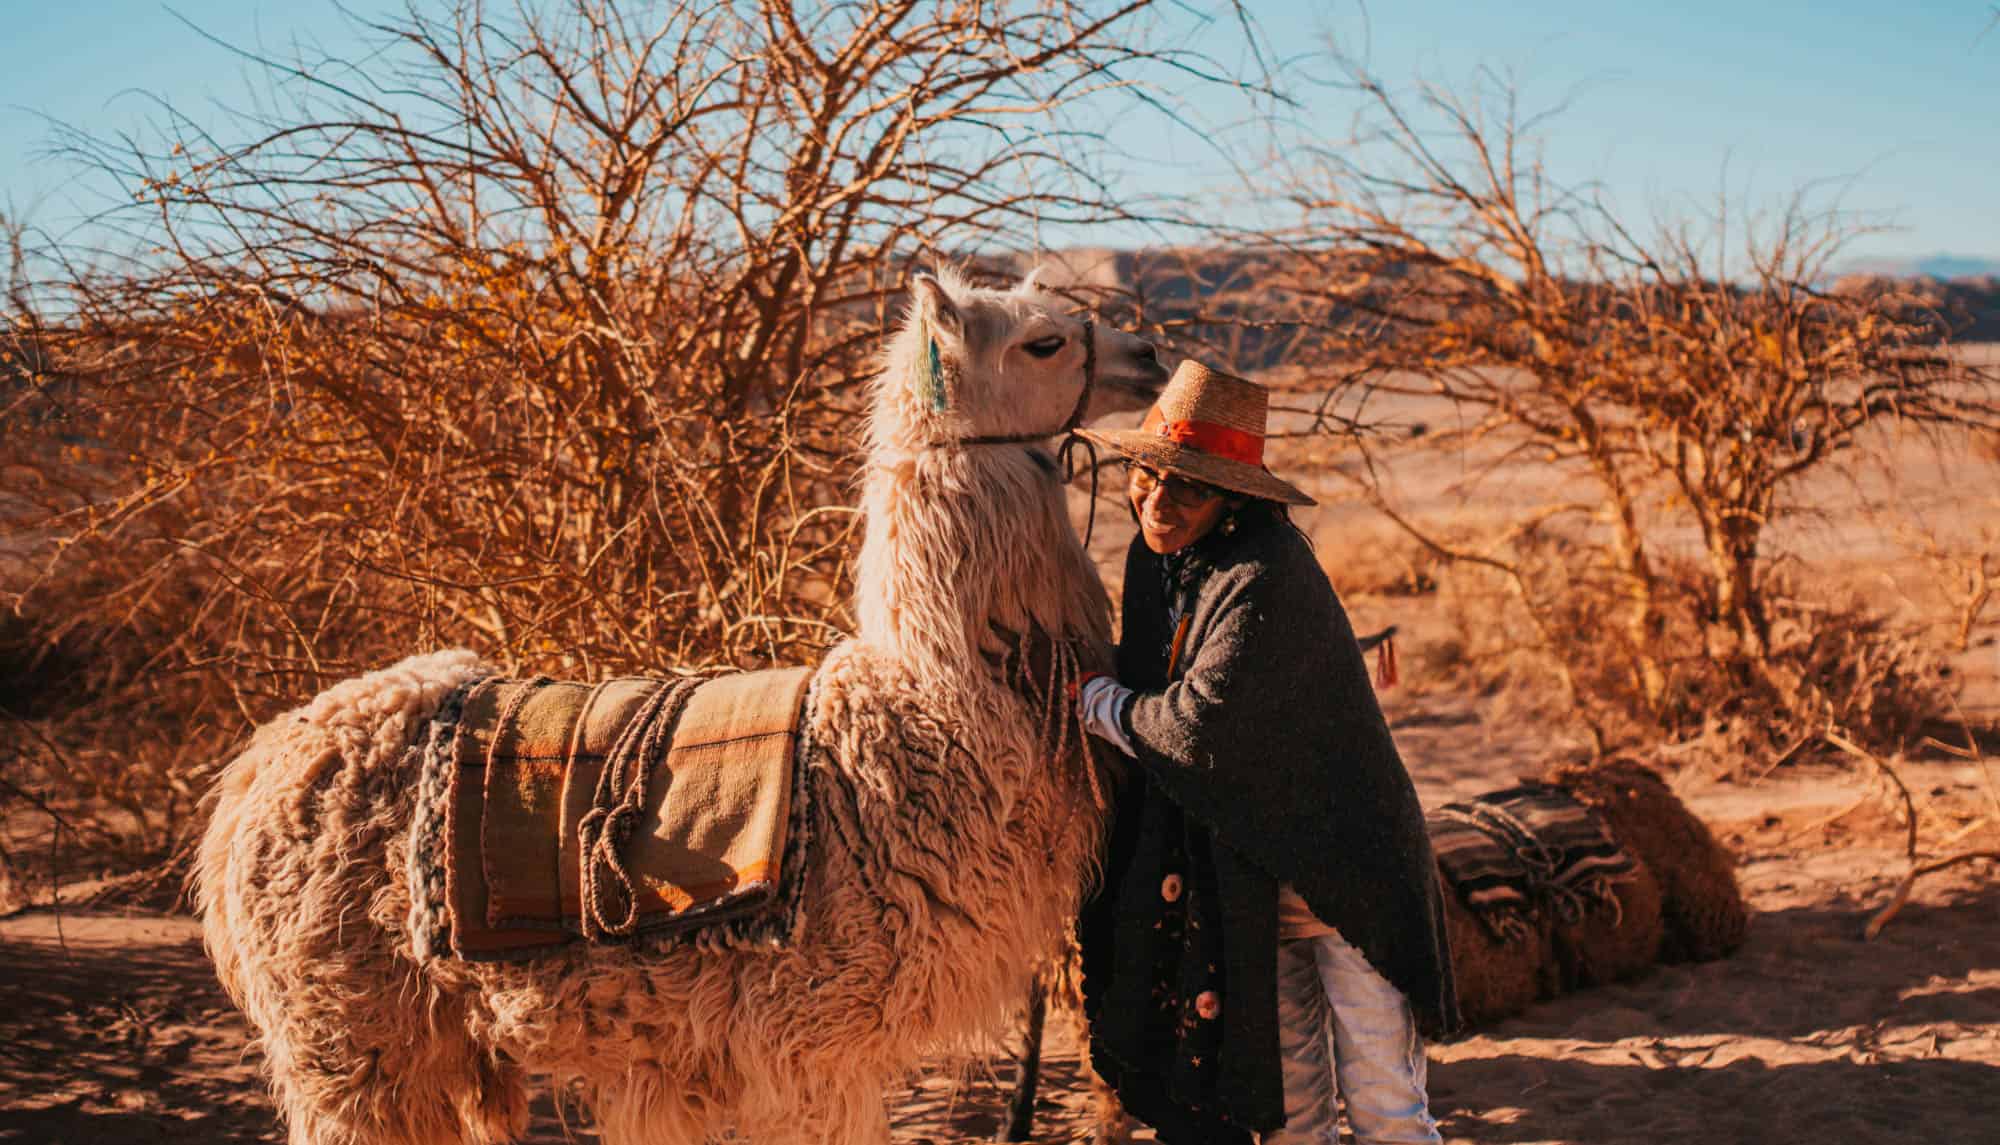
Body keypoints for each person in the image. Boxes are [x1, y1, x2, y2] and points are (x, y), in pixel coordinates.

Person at [1073, 360, 1460, 1145]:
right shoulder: (1164, 567)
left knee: (1387, 1106)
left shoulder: (1268, 577)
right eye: (1147, 473)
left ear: (1235, 499)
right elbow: (1157, 673)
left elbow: (1193, 728)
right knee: (1290, 1117)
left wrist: (1094, 702)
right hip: (1250, 889)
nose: (1158, 498)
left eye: (1188, 485)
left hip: (1347, 879)